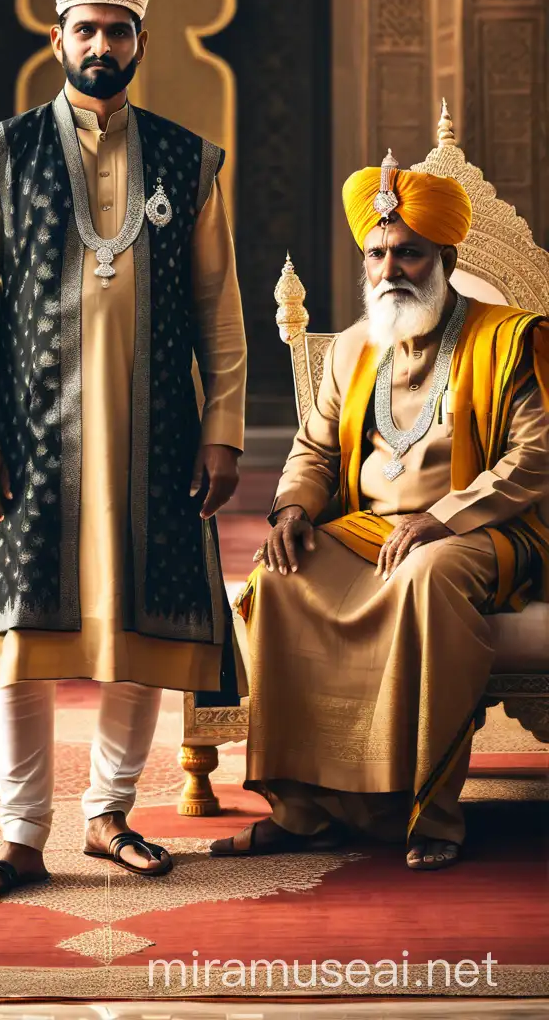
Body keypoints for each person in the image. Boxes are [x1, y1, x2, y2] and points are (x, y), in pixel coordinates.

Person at [0, 0, 246, 902]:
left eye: (117, 31)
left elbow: (219, 308)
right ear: (58, 36)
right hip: (27, 441)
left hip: (153, 438)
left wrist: (224, 426)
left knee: (142, 635)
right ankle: (21, 837)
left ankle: (110, 815)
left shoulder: (187, 162)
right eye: (85, 29)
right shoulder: (2, 153)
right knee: (22, 645)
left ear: (141, 42)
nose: (100, 46)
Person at [211, 151, 549, 872]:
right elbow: (315, 449)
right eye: (377, 254)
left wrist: (446, 517)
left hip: (487, 530)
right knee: (279, 581)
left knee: (426, 577)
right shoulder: (352, 350)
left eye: (409, 254)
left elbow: (534, 458)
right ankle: (304, 813)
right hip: (370, 529)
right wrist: (293, 510)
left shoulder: (513, 338)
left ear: (445, 258)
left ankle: (428, 813)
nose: (391, 268)